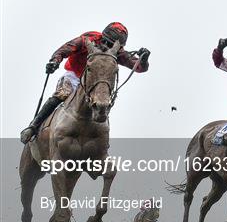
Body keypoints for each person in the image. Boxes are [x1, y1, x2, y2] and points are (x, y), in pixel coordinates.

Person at [20, 22, 151, 144]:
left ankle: (100, 143)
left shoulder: (118, 52)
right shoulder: (87, 40)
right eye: (106, 42)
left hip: (94, 82)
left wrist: (144, 59)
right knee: (61, 94)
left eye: (111, 45)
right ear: (102, 36)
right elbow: (64, 49)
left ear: (118, 46)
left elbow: (139, 67)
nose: (107, 46)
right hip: (74, 76)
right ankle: (33, 127)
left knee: (103, 102)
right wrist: (55, 61)